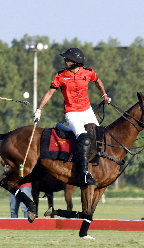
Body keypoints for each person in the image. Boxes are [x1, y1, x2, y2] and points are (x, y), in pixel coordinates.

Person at [34, 48, 112, 186]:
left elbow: (98, 82)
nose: (65, 61)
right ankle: (83, 174)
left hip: (87, 111)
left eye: (68, 59)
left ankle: (99, 167)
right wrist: (39, 109)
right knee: (85, 140)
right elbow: (49, 93)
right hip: (72, 113)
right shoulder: (60, 76)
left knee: (100, 137)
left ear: (76, 62)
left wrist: (104, 95)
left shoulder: (88, 72)